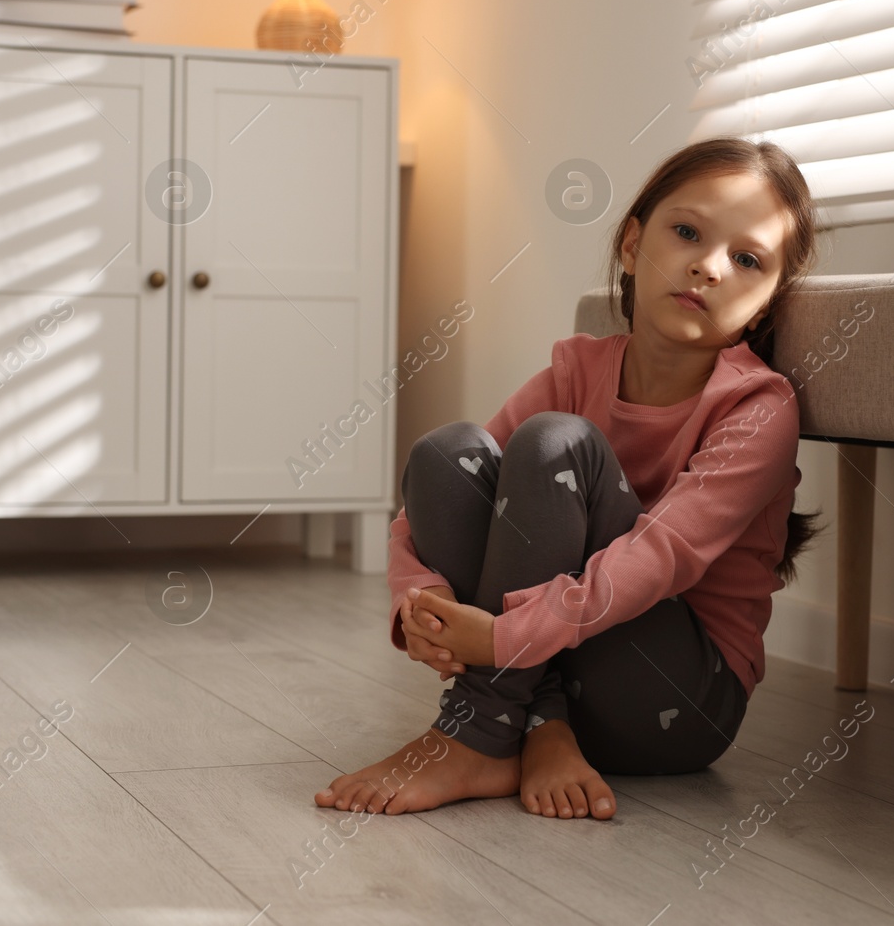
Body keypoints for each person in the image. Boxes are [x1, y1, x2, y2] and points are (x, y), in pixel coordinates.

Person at [313, 135, 826, 820]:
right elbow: (429, 503)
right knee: (447, 453)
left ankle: (479, 731)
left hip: (676, 699)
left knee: (559, 443)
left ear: (762, 305)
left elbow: (659, 557)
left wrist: (500, 640)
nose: (707, 266)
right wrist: (420, 602)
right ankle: (537, 724)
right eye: (686, 232)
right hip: (560, 667)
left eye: (746, 259)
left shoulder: (759, 407)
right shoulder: (578, 368)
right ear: (631, 245)